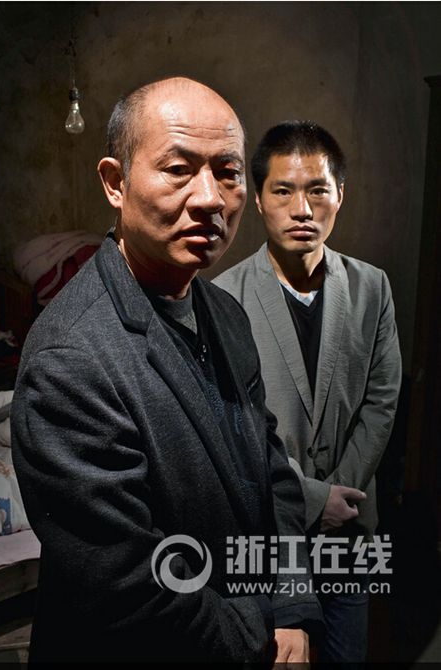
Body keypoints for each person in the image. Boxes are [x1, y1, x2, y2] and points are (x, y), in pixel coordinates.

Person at [11, 79, 322, 664]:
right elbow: (126, 585)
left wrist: (292, 605)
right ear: (115, 182)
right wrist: (261, 635)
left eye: (227, 173)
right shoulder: (71, 358)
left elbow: (272, 470)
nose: (209, 198)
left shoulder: (224, 313)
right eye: (178, 169)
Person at [214, 121, 402, 663]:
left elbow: (381, 401)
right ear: (257, 199)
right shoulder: (223, 298)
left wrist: (341, 494)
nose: (302, 209)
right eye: (283, 191)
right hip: (266, 533)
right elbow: (235, 426)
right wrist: (313, 499)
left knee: (347, 655)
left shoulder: (372, 287)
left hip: (351, 525)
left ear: (340, 194)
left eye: (317, 190)